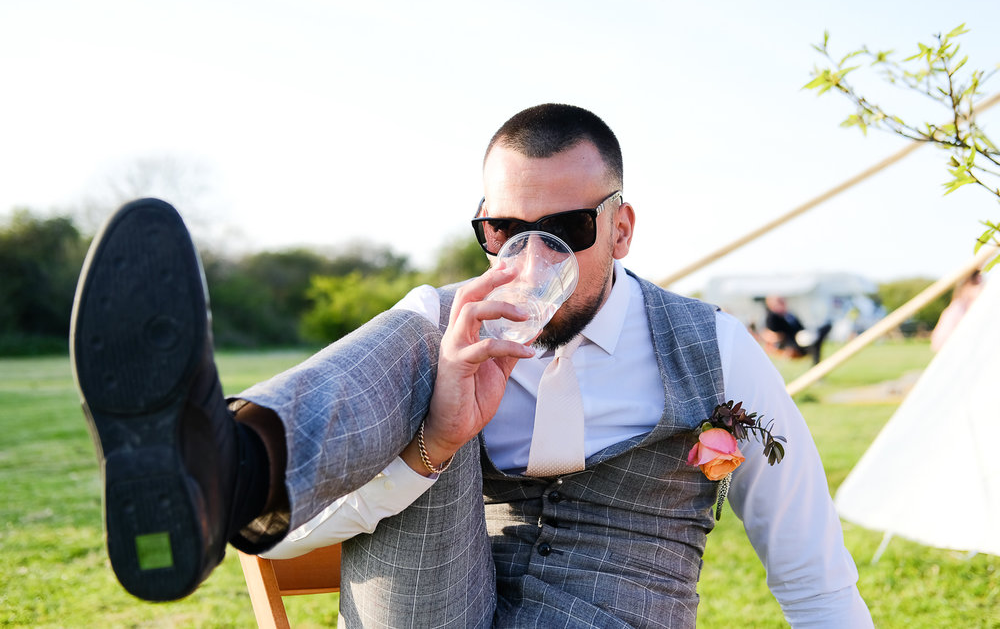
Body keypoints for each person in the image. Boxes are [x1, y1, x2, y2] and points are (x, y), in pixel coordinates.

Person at [70, 104, 872, 627]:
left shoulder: (717, 350)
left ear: (622, 229)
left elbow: (814, 571)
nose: (529, 260)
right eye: (503, 231)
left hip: (613, 605)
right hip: (434, 599)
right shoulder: (448, 324)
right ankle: (228, 461)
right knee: (427, 332)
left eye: (565, 228)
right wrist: (436, 442)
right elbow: (278, 544)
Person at [761, 295, 832, 365]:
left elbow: (801, 326)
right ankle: (816, 364)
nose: (783, 303)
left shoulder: (789, 315)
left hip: (801, 336)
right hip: (792, 342)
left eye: (783, 301)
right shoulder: (772, 317)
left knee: (822, 330)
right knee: (815, 341)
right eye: (780, 301)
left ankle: (817, 338)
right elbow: (772, 334)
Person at [930, 270, 984, 352]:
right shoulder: (957, 308)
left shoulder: (973, 308)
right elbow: (939, 342)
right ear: (966, 286)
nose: (980, 288)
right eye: (976, 283)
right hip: (955, 351)